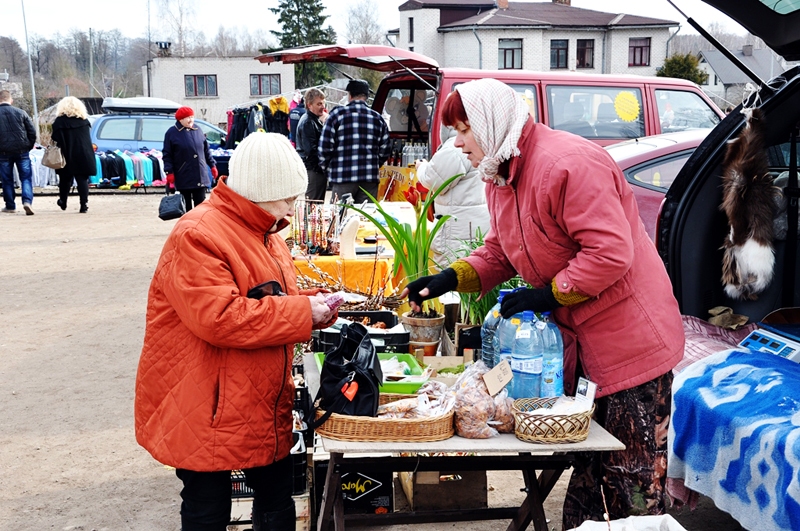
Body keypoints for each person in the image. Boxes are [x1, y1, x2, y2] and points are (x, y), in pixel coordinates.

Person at [401, 78, 684, 529]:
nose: (457, 142)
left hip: (631, 342)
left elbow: (609, 252)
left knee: (632, 482)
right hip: (584, 344)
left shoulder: (565, 164)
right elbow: (499, 251)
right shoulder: (500, 173)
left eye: (463, 129)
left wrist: (548, 294)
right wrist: (447, 279)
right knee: (591, 471)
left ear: (492, 124)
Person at [135, 132, 336, 531]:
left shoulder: (264, 229)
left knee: (277, 495)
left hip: (255, 395)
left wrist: (315, 304)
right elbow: (221, 317)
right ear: (259, 191)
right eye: (287, 198)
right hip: (205, 400)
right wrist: (302, 312)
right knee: (207, 504)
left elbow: (268, 296)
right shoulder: (197, 234)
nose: (292, 207)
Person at [415, 123, 491, 267]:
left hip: (457, 233)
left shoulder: (454, 148)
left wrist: (421, 168)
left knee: (454, 280)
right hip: (477, 227)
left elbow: (434, 181)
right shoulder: (481, 141)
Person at [319, 79, 391, 203]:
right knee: (366, 218)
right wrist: (373, 164)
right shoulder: (377, 118)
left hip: (342, 176)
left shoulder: (336, 115)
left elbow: (324, 148)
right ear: (366, 97)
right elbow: (386, 149)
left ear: (349, 95)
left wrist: (328, 169)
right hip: (369, 178)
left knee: (341, 217)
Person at [163, 106, 217, 211]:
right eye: (187, 118)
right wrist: (169, 171)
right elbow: (167, 154)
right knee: (186, 208)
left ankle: (200, 227)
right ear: (180, 119)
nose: (190, 120)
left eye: (192, 117)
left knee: (201, 207)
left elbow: (206, 150)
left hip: (200, 175)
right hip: (183, 175)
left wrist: (212, 165)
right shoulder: (172, 133)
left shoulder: (198, 129)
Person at [51, 96, 97, 213]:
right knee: (82, 179)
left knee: (65, 179)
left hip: (66, 154)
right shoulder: (84, 121)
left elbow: (55, 138)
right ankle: (83, 205)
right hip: (83, 154)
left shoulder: (59, 122)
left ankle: (63, 201)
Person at [0, 89, 37, 215]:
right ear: (11, 100)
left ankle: (10, 206)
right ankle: (27, 201)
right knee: (26, 178)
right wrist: (29, 145)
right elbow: (32, 132)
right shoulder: (21, 112)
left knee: (7, 179)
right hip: (22, 150)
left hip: (3, 152)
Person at [295, 88, 328, 201]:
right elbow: (311, 151)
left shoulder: (313, 120)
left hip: (315, 169)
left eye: (323, 103)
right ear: (309, 105)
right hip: (314, 170)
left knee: (316, 205)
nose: (323, 106)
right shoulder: (308, 122)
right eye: (319, 104)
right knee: (314, 205)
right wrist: (321, 167)